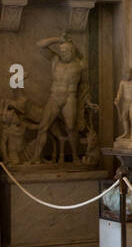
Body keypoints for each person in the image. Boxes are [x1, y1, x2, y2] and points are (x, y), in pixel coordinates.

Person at [29, 34, 88, 164]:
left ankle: (75, 156)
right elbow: (40, 44)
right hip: (54, 96)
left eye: (66, 51)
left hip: (70, 98)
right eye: (61, 51)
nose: (63, 54)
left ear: (72, 51)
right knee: (43, 127)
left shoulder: (80, 64)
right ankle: (36, 157)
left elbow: (84, 85)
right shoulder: (55, 60)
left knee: (71, 127)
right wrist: (57, 39)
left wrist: (84, 102)